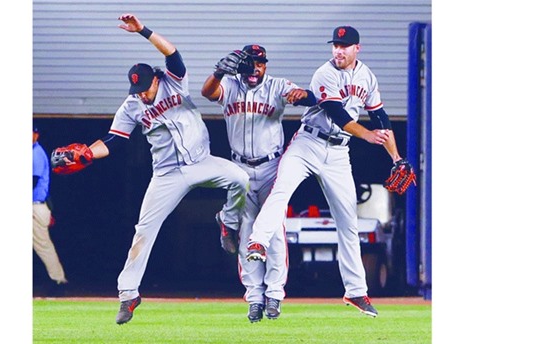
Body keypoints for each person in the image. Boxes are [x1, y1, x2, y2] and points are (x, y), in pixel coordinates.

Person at [51, 13, 249, 325]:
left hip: (201, 163)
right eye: (137, 89)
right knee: (143, 232)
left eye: (145, 86)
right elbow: (114, 140)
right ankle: (128, 294)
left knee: (242, 178)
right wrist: (89, 152)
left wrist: (142, 30)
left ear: (155, 79)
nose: (142, 93)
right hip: (167, 175)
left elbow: (173, 53)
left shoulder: (173, 81)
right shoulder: (132, 105)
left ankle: (228, 219)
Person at [245, 25, 412, 318]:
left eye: (344, 46)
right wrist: (368, 136)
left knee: (348, 219)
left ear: (357, 48)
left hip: (338, 153)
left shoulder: (367, 77)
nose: (338, 50)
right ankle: (257, 240)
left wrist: (396, 158)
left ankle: (356, 292)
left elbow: (381, 118)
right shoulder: (324, 73)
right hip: (308, 142)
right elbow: (339, 115)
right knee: (281, 190)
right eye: (335, 44)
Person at [201, 44, 316, 323]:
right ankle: (254, 297)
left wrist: (301, 95)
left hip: (272, 166)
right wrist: (218, 72)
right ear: (240, 65)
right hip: (239, 165)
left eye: (260, 63)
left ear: (266, 65)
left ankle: (274, 294)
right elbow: (207, 93)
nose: (255, 68)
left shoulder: (277, 85)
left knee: (273, 230)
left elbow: (307, 97)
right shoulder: (228, 84)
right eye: (250, 63)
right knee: (247, 230)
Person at [33, 125, 68, 286]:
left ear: (36, 135)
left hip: (35, 206)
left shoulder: (36, 153)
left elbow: (33, 181)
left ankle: (58, 280)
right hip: (36, 205)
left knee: (43, 245)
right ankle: (58, 279)